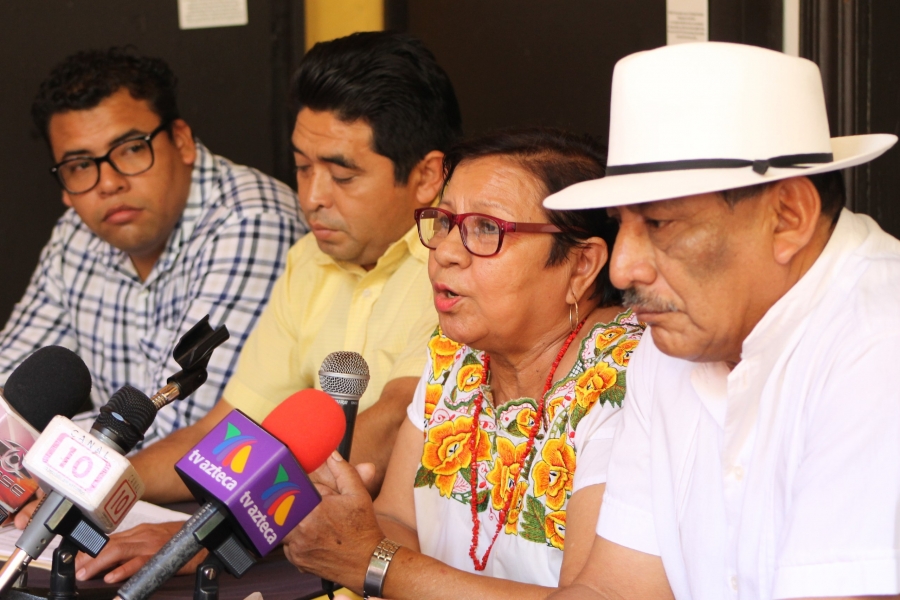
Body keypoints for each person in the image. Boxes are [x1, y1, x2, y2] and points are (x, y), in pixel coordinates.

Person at [71, 31, 462, 584]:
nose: (312, 197)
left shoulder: (457, 264)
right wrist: (97, 487)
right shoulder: (308, 259)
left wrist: (206, 532)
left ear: (425, 176)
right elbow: (232, 429)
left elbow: (389, 429)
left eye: (342, 175)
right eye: (302, 167)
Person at [541, 43, 900, 599]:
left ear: (788, 217)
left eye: (660, 223)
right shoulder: (669, 343)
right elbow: (616, 589)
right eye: (621, 224)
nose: (623, 267)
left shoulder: (880, 338)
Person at [280, 127, 645, 599]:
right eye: (445, 222)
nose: (446, 252)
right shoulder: (457, 356)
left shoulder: (628, 380)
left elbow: (593, 594)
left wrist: (373, 563)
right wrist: (341, 530)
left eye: (487, 228)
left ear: (581, 265)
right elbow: (397, 519)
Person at [0, 47, 303, 446]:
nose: (109, 183)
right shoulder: (77, 231)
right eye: (81, 166)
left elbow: (183, 436)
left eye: (130, 149)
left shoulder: (252, 222)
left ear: (182, 141)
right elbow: (11, 395)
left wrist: (36, 448)